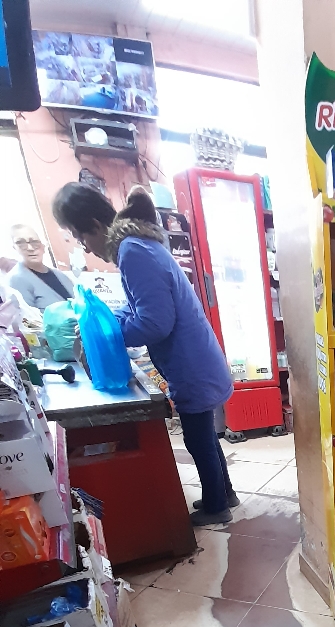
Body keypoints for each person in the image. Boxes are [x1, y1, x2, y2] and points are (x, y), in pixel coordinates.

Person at [51, 183, 237, 526]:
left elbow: (155, 323)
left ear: (95, 225)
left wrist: (110, 336)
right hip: (196, 358)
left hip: (190, 364)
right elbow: (135, 307)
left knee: (198, 440)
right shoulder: (138, 244)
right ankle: (225, 494)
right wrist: (107, 323)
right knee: (206, 437)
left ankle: (216, 506)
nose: (84, 246)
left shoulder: (132, 251)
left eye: (80, 236)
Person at [8, 224, 75, 311]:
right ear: (14, 248)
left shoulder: (60, 275)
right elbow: (27, 318)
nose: (30, 248)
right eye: (21, 243)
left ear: (43, 246)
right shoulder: (16, 280)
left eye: (34, 242)